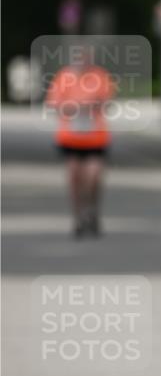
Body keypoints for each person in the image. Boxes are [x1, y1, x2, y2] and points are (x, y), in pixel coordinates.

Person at [46, 45, 114, 237]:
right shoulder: (64, 77)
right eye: (79, 56)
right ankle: (78, 217)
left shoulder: (99, 76)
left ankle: (92, 211)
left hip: (95, 138)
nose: (83, 60)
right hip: (71, 137)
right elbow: (54, 103)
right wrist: (78, 106)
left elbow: (106, 100)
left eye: (86, 56)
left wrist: (84, 105)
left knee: (93, 177)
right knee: (74, 178)